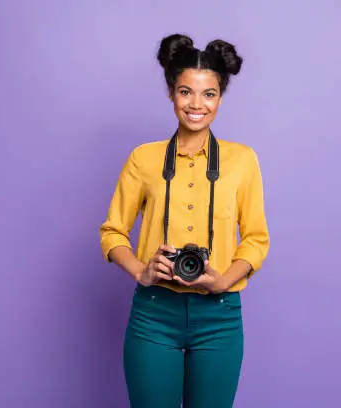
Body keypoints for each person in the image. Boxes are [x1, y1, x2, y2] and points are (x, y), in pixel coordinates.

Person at [99, 33, 270, 408]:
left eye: (209, 94)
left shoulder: (242, 160)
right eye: (185, 92)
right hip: (154, 313)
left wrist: (221, 280)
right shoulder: (143, 159)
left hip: (219, 316)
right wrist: (142, 272)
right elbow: (112, 233)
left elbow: (256, 239)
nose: (197, 104)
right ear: (171, 94)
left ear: (220, 97)